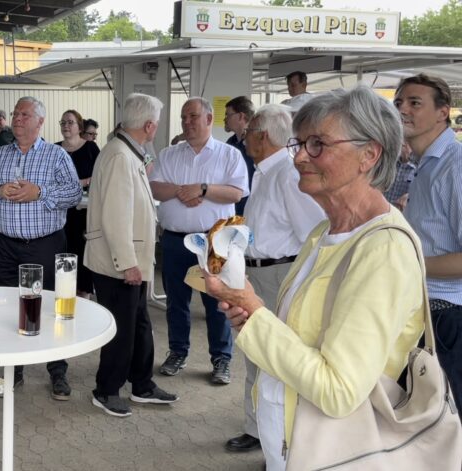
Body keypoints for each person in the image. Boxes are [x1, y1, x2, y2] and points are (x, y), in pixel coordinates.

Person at [199, 86, 424, 470]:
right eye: (299, 143)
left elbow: (338, 391)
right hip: (293, 443)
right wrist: (250, 315)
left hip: (334, 451)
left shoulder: (383, 249)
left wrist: (256, 314)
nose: (300, 156)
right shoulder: (324, 232)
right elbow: (296, 336)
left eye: (318, 144)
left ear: (369, 155)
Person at [223, 104, 325, 454]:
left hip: (279, 274)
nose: (244, 137)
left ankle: (282, 441)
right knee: (255, 351)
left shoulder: (287, 173)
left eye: (248, 131)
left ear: (261, 135)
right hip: (257, 270)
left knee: (275, 357)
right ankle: (258, 430)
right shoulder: (266, 171)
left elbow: (312, 233)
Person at [0, 96, 82, 400]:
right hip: (7, 245)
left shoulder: (56, 155)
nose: (18, 119)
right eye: (15, 114)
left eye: (25, 114)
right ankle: (13, 369)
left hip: (44, 244)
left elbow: (74, 193)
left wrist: (40, 192)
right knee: (9, 306)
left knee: (49, 306)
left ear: (40, 122)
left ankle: (57, 369)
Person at [84, 93, 178, 417]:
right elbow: (115, 217)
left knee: (139, 326)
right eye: (157, 125)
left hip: (130, 263)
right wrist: (128, 264)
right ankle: (106, 390)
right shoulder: (120, 156)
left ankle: (142, 384)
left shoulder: (127, 152)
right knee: (120, 330)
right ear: (149, 126)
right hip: (118, 265)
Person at [149, 97, 249, 384]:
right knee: (175, 302)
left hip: (215, 240)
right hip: (175, 240)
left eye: (193, 116)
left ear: (208, 119)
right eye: (183, 117)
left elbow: (237, 193)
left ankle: (221, 359)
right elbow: (155, 188)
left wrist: (203, 189)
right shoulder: (169, 154)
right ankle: (177, 352)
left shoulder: (228, 155)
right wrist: (184, 190)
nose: (187, 122)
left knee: (217, 302)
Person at [395, 73, 462, 411]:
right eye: (399, 102)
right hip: (423, 312)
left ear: (442, 112)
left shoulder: (456, 165)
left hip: (449, 318)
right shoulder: (425, 165)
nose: (403, 109)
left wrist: (406, 263)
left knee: (451, 421)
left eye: (414, 102)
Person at [56, 109, 100, 297]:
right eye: (63, 122)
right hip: (61, 215)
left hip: (85, 214)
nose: (66, 125)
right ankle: (64, 296)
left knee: (83, 259)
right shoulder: (55, 149)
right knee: (63, 257)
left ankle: (85, 300)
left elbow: (99, 177)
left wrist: (79, 183)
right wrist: (81, 182)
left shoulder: (90, 148)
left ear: (79, 126)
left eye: (70, 122)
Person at [224, 96, 255, 216]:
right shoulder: (230, 143)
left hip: (251, 205)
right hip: (233, 206)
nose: (225, 119)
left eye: (228, 115)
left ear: (241, 116)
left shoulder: (256, 143)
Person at [382, 140, 416, 210]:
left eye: (403, 146)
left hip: (402, 213)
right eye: (402, 145)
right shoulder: (390, 164)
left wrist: (409, 196)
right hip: (384, 209)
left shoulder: (417, 169)